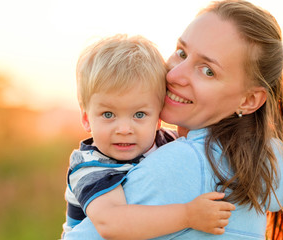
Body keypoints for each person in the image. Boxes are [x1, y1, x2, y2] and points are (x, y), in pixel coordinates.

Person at [64, 0, 283, 239]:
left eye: (208, 71)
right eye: (182, 53)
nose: (174, 74)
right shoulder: (249, 161)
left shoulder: (185, 160)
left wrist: (187, 215)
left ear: (249, 100)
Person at [62, 34, 235, 239]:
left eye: (139, 114)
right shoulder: (90, 166)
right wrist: (188, 215)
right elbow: (111, 224)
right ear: (86, 119)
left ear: (159, 117)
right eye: (108, 114)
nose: (124, 129)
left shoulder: (165, 142)